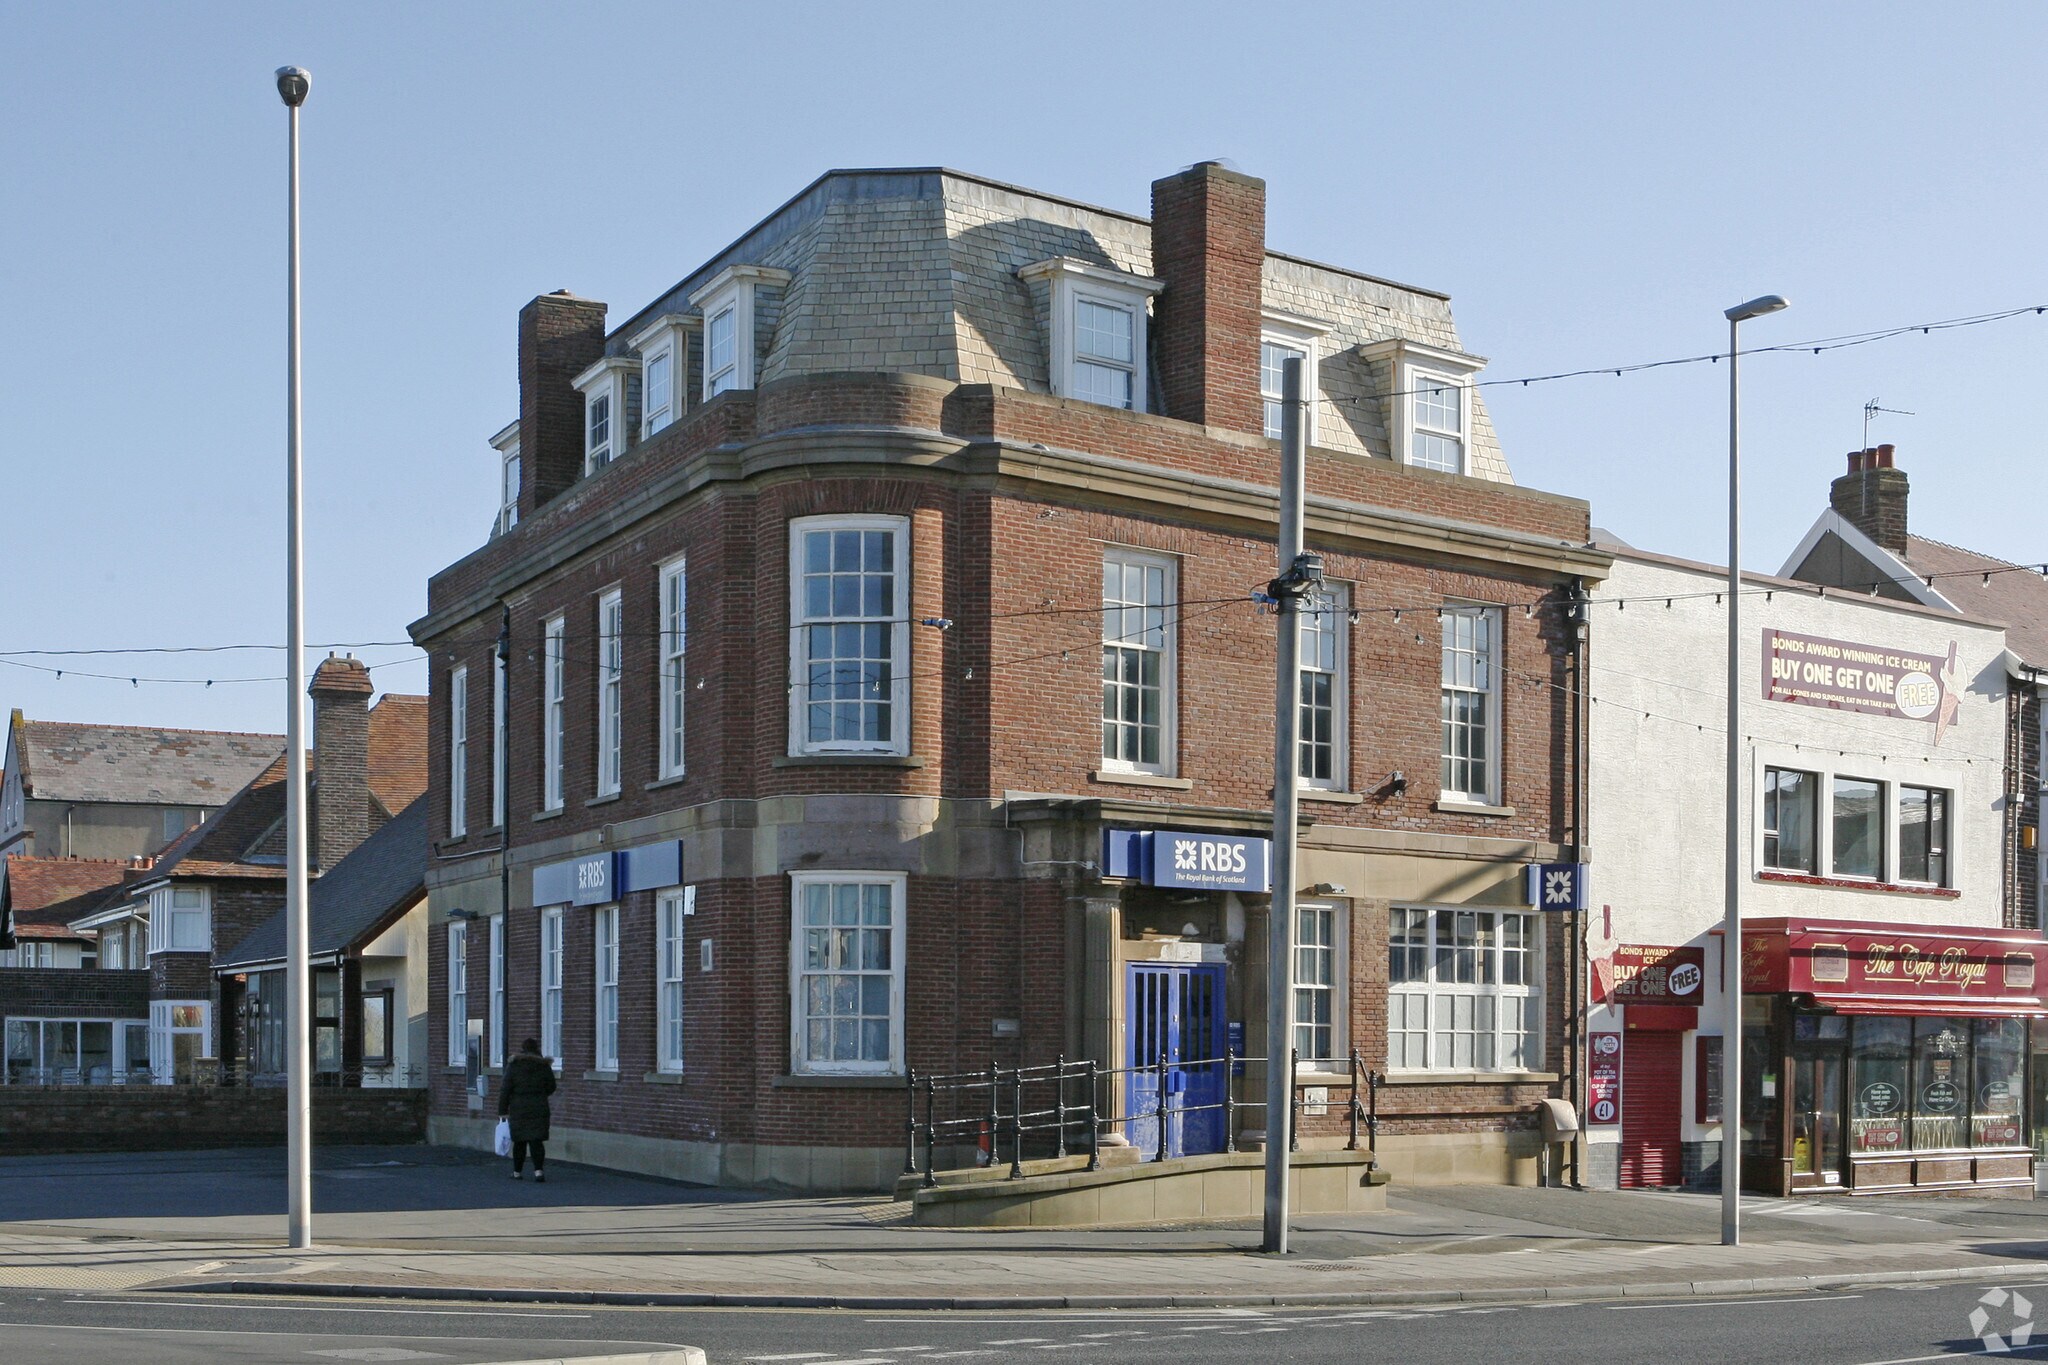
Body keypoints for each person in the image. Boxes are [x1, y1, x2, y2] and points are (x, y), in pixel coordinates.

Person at [499, 1037, 557, 1182]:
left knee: (519, 1142)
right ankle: (538, 1171)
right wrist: (541, 1095)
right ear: (537, 1049)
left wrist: (502, 1109)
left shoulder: (514, 1065)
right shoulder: (543, 1066)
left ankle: (517, 1172)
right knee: (536, 1141)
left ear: (523, 1049)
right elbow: (552, 1086)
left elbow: (505, 1089)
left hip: (519, 1107)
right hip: (539, 1106)